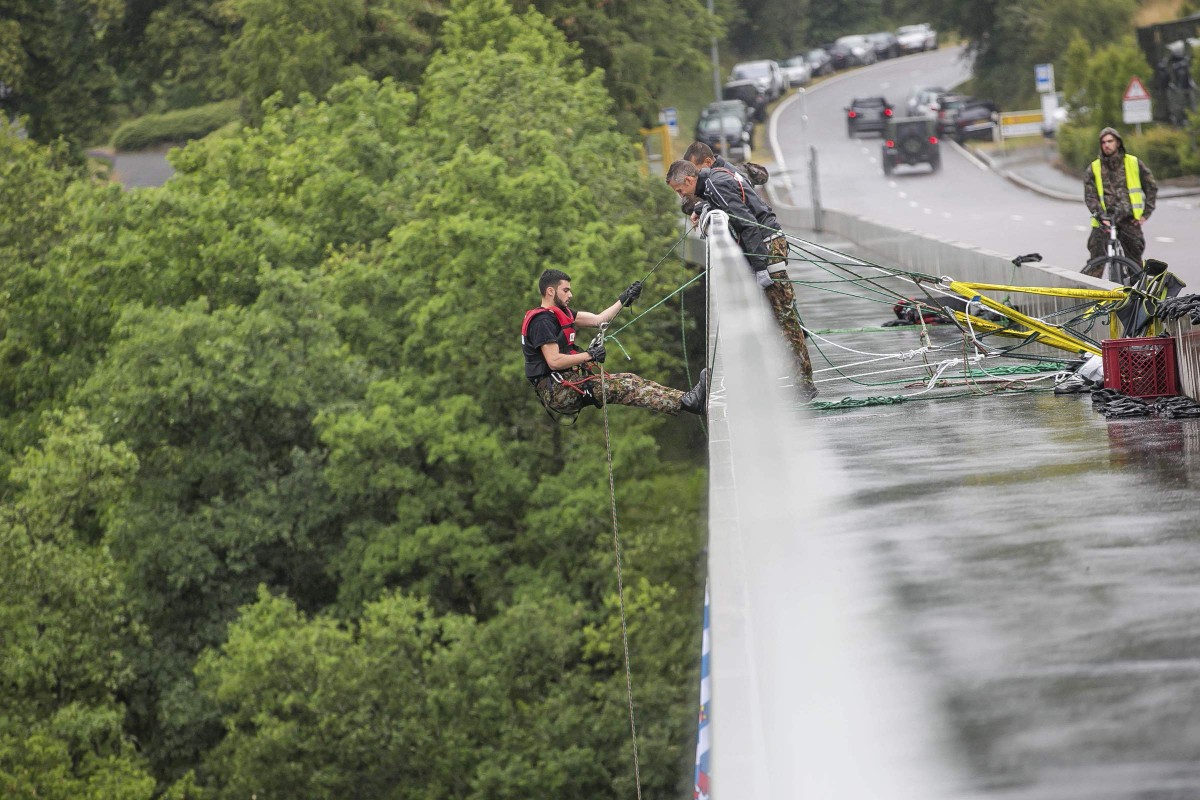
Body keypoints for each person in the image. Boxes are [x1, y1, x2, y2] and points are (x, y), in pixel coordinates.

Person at [664, 159, 816, 397]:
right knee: (778, 318)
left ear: (689, 180)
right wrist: (703, 208)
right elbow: (730, 206)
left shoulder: (714, 185)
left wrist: (760, 267)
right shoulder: (713, 181)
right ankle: (797, 380)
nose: (681, 195)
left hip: (766, 247)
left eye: (679, 190)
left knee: (784, 318)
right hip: (767, 244)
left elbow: (746, 222)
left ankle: (804, 384)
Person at [521, 268, 707, 418]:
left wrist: (624, 299)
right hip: (558, 392)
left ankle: (686, 399)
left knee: (630, 379)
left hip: (569, 383)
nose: (570, 294)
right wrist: (590, 355)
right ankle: (686, 403)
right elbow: (554, 361)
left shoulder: (562, 314)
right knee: (623, 387)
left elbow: (599, 319)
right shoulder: (542, 322)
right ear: (550, 291)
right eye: (566, 290)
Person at [1082, 127, 1158, 277]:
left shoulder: (1133, 162)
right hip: (1104, 221)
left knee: (1134, 263)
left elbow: (1151, 187)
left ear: (1118, 143)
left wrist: (1145, 214)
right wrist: (1101, 216)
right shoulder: (1094, 168)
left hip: (1129, 219)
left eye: (1110, 141)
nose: (1106, 145)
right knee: (1095, 260)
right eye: (1103, 142)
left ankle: (1135, 288)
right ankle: (1092, 290)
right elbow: (1090, 196)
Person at [682, 140, 769, 188]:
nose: (694, 175)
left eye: (696, 170)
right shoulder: (707, 179)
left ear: (708, 162)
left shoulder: (730, 176)